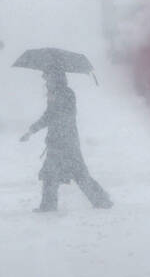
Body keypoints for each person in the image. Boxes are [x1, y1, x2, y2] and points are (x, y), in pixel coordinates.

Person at [20, 70, 112, 212]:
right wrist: (32, 130)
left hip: (65, 140)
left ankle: (101, 200)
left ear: (55, 78)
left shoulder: (65, 94)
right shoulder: (56, 94)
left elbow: (55, 116)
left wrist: (35, 129)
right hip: (59, 140)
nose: (45, 82)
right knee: (55, 174)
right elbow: (49, 115)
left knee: (75, 173)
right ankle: (99, 200)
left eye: (47, 78)